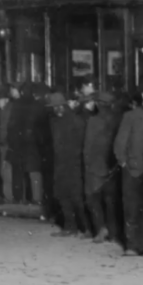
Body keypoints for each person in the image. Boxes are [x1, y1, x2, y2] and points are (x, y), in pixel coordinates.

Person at [114, 83, 143, 256]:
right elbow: (120, 143)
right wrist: (124, 162)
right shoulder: (131, 116)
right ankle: (132, 245)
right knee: (131, 208)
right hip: (133, 171)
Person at [48, 93, 88, 237]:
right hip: (60, 164)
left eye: (59, 106)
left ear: (65, 105)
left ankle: (86, 228)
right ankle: (69, 226)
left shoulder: (76, 121)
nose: (57, 109)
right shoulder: (54, 122)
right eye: (54, 107)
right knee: (62, 195)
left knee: (77, 197)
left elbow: (82, 144)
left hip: (74, 164)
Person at [83, 92, 121, 243]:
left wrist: (86, 163)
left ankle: (101, 228)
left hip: (95, 166)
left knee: (93, 199)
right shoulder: (118, 119)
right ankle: (113, 231)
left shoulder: (93, 121)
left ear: (98, 104)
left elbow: (88, 145)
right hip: (113, 166)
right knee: (110, 201)